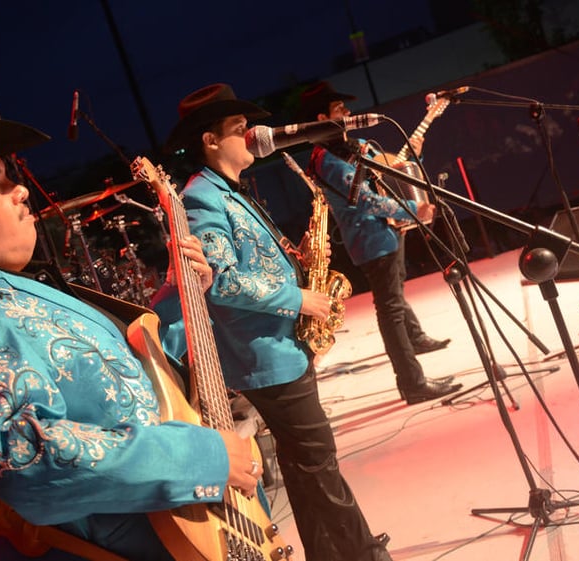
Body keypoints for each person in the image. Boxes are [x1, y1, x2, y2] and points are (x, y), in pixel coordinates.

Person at [0, 94, 266, 561]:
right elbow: (23, 455)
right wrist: (204, 459)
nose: (21, 190)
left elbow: (131, 377)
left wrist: (179, 297)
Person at [155, 83, 393, 561]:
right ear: (210, 140)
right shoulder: (202, 197)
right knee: (319, 460)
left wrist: (299, 260)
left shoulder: (228, 191)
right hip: (265, 354)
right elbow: (220, 280)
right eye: (239, 129)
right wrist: (299, 298)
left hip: (278, 349)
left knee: (307, 467)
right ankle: (364, 554)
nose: (252, 134)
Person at [299, 80, 461, 405]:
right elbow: (365, 201)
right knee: (389, 309)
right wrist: (417, 208)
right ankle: (412, 382)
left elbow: (393, 164)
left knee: (394, 294)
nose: (347, 111)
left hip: (386, 230)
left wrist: (415, 148)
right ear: (321, 117)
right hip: (370, 238)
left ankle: (415, 341)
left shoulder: (355, 146)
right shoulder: (325, 160)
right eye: (339, 108)